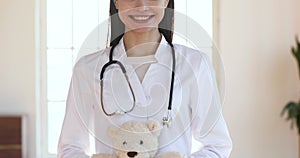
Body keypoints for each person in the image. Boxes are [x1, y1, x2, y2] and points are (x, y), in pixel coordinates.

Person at [57, 0, 232, 157]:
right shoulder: (87, 68)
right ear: (116, 2)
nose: (142, 5)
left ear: (166, 1)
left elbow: (218, 146)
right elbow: (69, 148)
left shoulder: (194, 64)